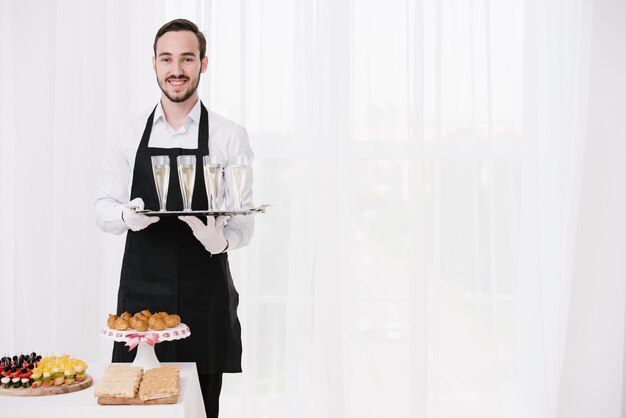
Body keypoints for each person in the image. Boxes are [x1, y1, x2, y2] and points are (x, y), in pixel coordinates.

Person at [95, 18, 254, 418]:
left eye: (187, 58)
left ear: (204, 63)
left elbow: (244, 221)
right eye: (167, 59)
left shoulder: (229, 135)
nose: (176, 69)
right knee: (135, 406)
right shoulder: (128, 132)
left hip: (205, 296)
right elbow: (103, 208)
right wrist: (125, 217)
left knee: (202, 408)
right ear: (153, 64)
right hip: (141, 300)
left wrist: (221, 241)